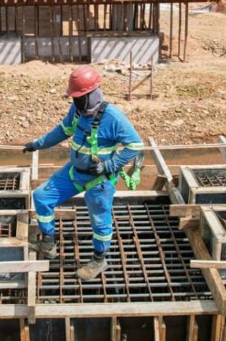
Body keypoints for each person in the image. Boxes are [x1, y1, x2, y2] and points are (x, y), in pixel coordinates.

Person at [22, 65, 143, 281]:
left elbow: (135, 146)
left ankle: (99, 260)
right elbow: (62, 131)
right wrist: (37, 144)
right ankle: (48, 243)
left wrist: (110, 165)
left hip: (99, 181)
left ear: (92, 93)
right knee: (41, 196)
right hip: (74, 172)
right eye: (74, 97)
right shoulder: (77, 111)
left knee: (99, 220)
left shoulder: (113, 117)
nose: (75, 101)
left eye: (79, 97)